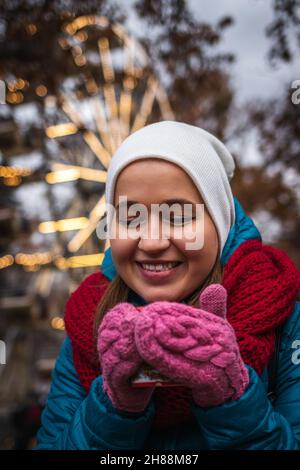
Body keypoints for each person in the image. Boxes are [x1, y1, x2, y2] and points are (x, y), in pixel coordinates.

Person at [35, 121, 300, 450]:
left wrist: (231, 397)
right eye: (130, 217)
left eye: (178, 215)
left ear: (219, 222)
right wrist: (112, 406)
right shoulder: (86, 329)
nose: (152, 240)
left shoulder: (286, 322)